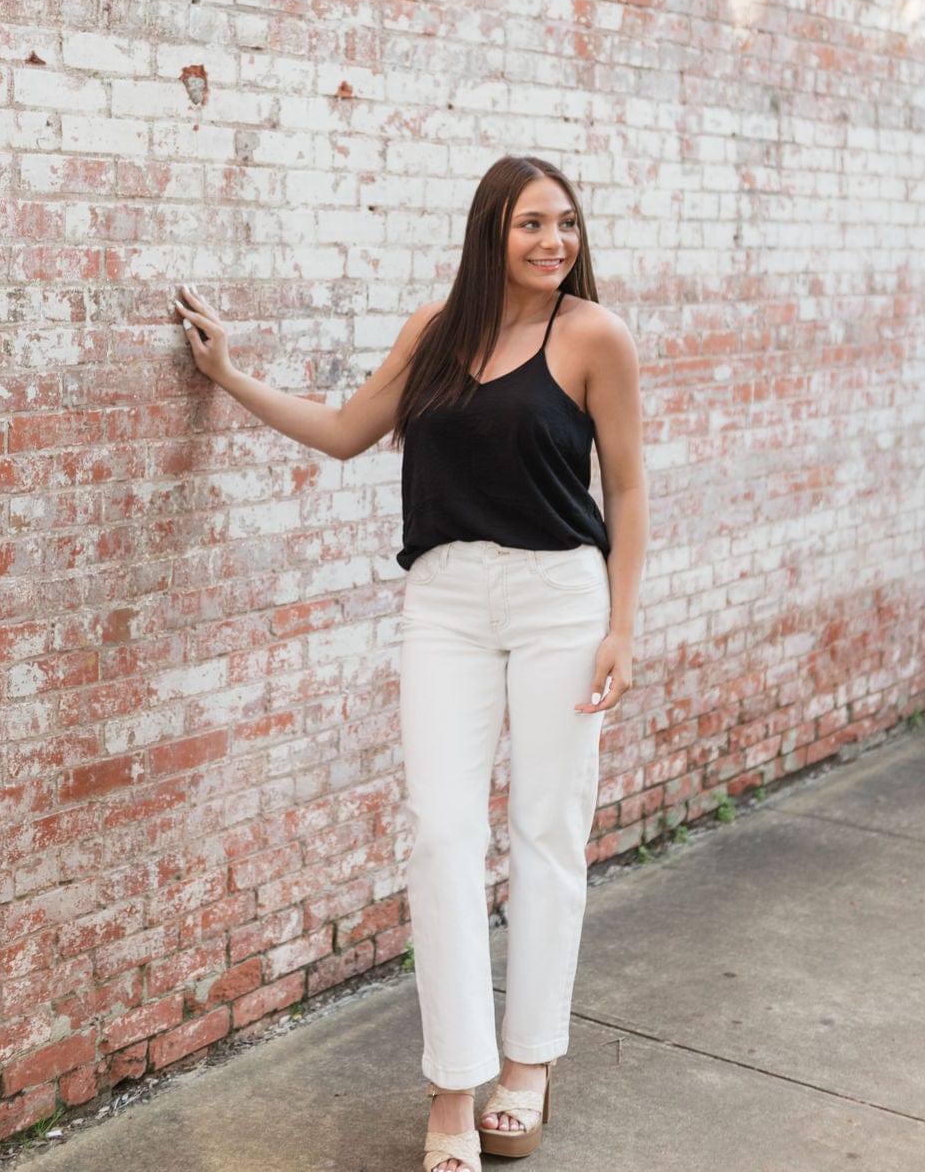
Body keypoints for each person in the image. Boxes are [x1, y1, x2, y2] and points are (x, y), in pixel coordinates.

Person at [174, 155, 648, 1172]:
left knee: (545, 831)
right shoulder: (433, 334)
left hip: (561, 598)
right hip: (443, 601)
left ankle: (526, 1067)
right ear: (492, 231)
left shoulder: (593, 337)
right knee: (440, 834)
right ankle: (450, 1092)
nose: (553, 243)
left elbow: (631, 489)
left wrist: (620, 625)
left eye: (565, 224)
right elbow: (347, 431)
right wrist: (227, 375)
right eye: (531, 224)